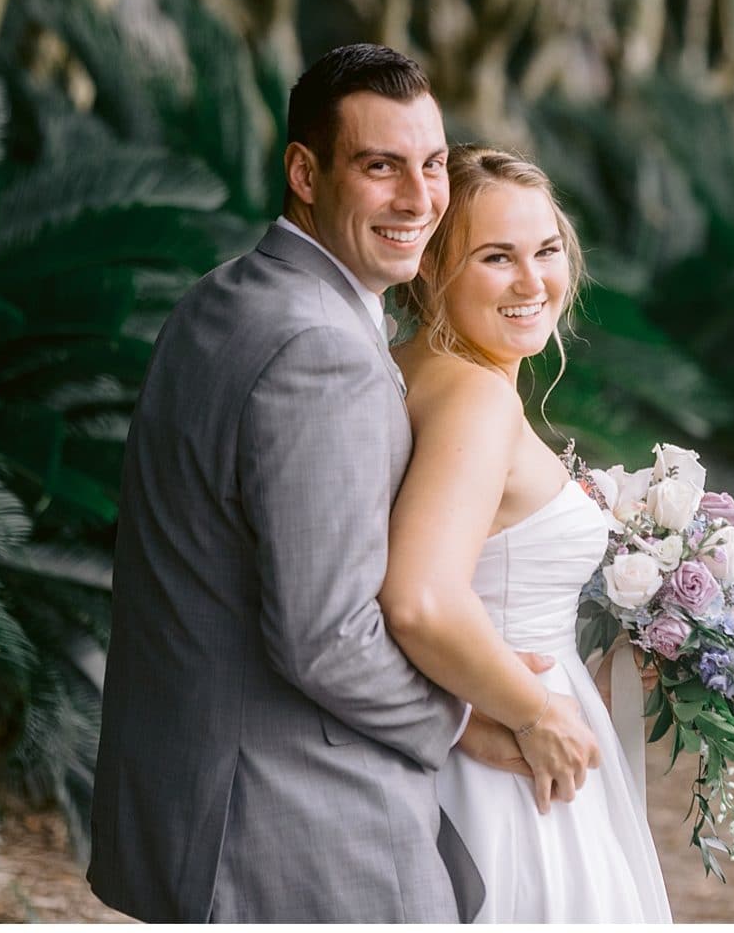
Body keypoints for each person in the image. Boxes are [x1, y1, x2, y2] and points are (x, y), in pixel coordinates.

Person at [87, 47, 595, 924]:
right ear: (303, 172)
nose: (417, 198)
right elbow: (326, 636)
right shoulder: (321, 352)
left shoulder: (219, 299)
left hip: (188, 800)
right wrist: (476, 721)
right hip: (293, 827)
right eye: (379, 166)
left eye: (432, 164)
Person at [382, 144, 672, 924]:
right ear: (428, 270)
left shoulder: (403, 371)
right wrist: (535, 713)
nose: (531, 281)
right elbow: (417, 597)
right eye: (494, 257)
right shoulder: (476, 401)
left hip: (478, 723)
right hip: (512, 765)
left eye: (545, 251)